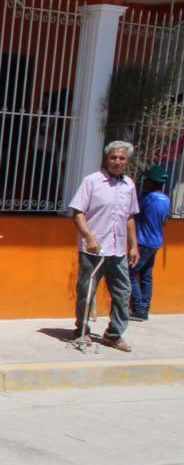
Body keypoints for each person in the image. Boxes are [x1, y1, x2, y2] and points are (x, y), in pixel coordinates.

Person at [70, 141, 140, 352]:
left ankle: (113, 335)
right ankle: (82, 330)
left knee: (123, 292)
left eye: (121, 158)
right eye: (113, 157)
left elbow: (129, 217)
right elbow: (77, 212)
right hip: (93, 249)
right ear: (106, 159)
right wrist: (89, 237)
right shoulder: (92, 182)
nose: (117, 161)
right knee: (86, 291)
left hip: (117, 250)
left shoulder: (129, 185)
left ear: (127, 161)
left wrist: (134, 246)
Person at [130, 164, 171, 321]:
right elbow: (164, 221)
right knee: (146, 275)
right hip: (156, 241)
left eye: (146, 180)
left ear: (152, 182)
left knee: (130, 273)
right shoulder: (166, 199)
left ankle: (139, 309)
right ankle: (145, 308)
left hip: (143, 242)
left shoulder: (147, 198)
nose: (144, 182)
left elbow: (133, 213)